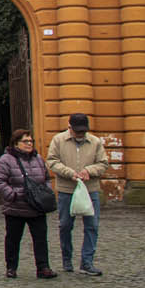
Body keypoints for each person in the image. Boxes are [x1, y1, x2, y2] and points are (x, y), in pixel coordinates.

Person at [0, 129, 57, 279]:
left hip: (36, 206)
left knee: (40, 238)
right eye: (25, 141)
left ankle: (43, 267)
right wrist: (12, 195)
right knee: (13, 239)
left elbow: (46, 178)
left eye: (31, 141)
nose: (29, 144)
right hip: (16, 206)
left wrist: (45, 192)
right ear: (16, 143)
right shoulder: (6, 160)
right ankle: (11, 267)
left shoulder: (38, 158)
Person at [47, 113, 108, 275]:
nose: (80, 134)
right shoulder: (58, 140)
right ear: (69, 127)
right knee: (65, 225)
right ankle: (67, 259)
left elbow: (103, 163)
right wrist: (69, 173)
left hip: (90, 189)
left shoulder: (95, 142)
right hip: (67, 190)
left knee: (92, 226)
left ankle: (87, 262)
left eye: (83, 131)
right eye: (77, 131)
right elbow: (52, 161)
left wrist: (89, 170)